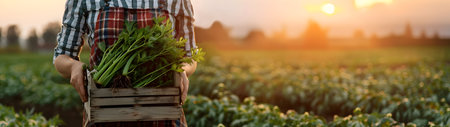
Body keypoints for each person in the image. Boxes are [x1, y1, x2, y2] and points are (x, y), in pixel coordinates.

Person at [53, 0, 197, 126]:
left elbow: (190, 56)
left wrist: (182, 69)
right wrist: (74, 66)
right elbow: (62, 56)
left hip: (163, 114)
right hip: (104, 114)